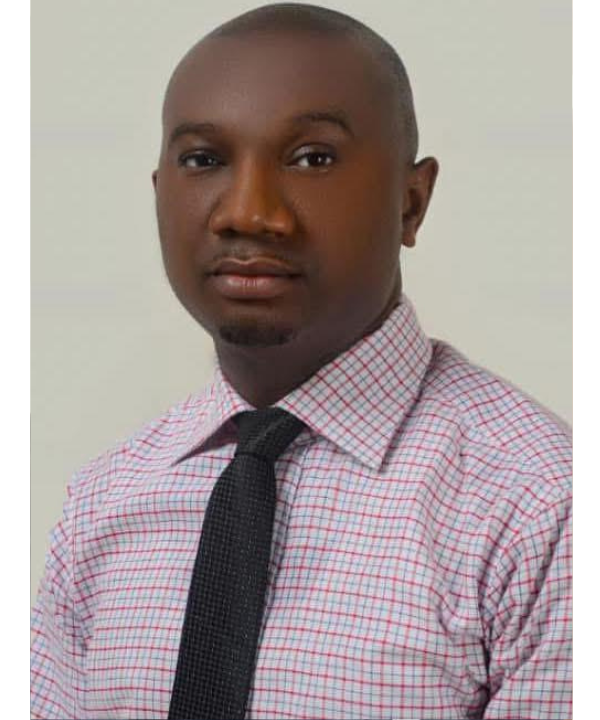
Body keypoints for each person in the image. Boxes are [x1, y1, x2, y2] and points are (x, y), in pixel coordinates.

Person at [30, 3, 572, 719]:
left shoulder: (545, 511)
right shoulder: (103, 502)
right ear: (160, 195)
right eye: (204, 160)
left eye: (313, 158)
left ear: (411, 202)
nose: (248, 213)